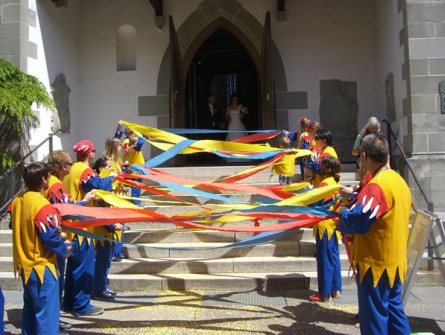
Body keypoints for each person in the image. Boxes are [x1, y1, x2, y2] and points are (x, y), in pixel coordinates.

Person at [338, 133, 411, 335]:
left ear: (365, 156)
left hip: (376, 263)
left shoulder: (378, 185)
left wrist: (339, 217)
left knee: (374, 316)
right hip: (394, 259)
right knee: (394, 311)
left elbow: (358, 222)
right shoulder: (398, 179)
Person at [10, 162, 71, 334]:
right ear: (44, 179)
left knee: (30, 313)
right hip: (41, 266)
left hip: (25, 265)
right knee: (46, 318)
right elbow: (49, 238)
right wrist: (65, 249)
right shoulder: (43, 205)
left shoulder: (17, 201)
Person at [63, 140, 115, 317]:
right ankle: (82, 306)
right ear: (90, 153)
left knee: (72, 269)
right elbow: (96, 185)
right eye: (93, 150)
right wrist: (111, 178)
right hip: (83, 226)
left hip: (72, 224)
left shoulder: (70, 171)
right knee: (84, 269)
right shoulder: (83, 170)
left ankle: (69, 302)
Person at [46, 150, 95, 330]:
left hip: (60, 233)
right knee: (56, 280)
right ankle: (54, 321)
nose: (70, 166)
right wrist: (85, 200)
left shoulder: (55, 182)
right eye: (68, 163)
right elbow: (65, 207)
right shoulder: (55, 185)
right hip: (61, 235)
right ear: (62, 167)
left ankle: (63, 308)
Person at [309, 156, 342, 302]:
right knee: (334, 257)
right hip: (335, 225)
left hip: (324, 226)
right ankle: (336, 289)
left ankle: (325, 292)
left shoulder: (324, 184)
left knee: (324, 260)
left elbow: (320, 205)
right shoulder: (336, 182)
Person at [92, 157, 123, 301]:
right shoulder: (100, 186)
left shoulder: (107, 183)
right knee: (102, 261)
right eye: (109, 166)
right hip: (103, 230)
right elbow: (100, 208)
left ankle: (103, 287)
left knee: (107, 261)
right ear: (101, 169)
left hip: (111, 227)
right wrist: (110, 226)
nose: (112, 168)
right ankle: (99, 290)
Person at [352, 117, 380, 181]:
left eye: (375, 130)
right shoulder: (361, 137)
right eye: (371, 130)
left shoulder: (379, 138)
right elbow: (353, 152)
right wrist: (360, 150)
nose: (372, 133)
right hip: (364, 162)